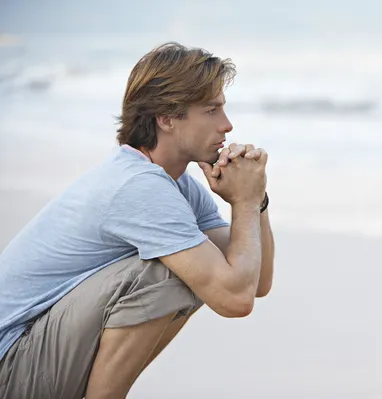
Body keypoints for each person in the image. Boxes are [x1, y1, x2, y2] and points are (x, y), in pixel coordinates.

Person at [0, 42, 275, 399]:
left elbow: (255, 282)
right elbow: (234, 297)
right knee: (169, 271)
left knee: (197, 265)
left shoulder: (176, 186)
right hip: (11, 365)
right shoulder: (139, 186)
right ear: (166, 117)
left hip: (33, 353)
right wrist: (245, 202)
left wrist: (255, 200)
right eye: (211, 110)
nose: (227, 125)